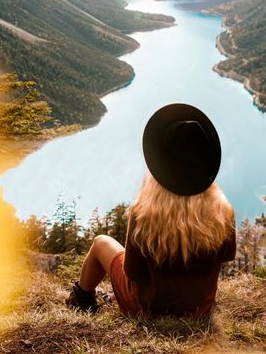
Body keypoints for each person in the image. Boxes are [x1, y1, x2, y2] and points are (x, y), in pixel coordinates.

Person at [66, 103, 236, 317]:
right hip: (199, 309)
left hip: (147, 309)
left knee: (101, 243)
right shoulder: (223, 211)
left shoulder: (145, 213)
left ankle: (82, 300)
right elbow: (228, 256)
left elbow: (133, 271)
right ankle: (107, 296)